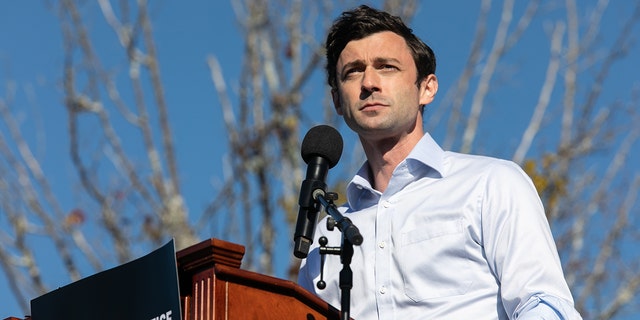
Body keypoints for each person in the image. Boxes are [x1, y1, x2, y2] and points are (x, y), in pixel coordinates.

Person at [297, 5, 582, 319]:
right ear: (338, 100)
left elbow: (543, 305)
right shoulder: (325, 237)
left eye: (387, 67)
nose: (369, 83)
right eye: (353, 72)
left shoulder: (491, 184)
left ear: (427, 88)